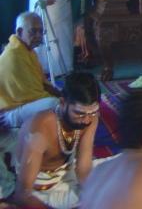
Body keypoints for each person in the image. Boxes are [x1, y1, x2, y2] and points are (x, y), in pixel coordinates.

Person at [9, 72, 100, 209]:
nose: (87, 120)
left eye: (92, 112)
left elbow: (83, 168)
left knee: (120, 177)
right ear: (63, 103)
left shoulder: (91, 119)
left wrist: (96, 194)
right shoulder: (40, 127)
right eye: (79, 113)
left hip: (68, 175)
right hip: (41, 191)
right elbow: (23, 194)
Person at [0, 12, 60, 130]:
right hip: (9, 111)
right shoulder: (15, 56)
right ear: (20, 31)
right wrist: (61, 100)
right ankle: (10, 121)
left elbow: (42, 82)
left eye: (40, 31)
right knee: (55, 105)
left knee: (64, 98)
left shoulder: (26, 49)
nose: (38, 36)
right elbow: (33, 96)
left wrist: (62, 94)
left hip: (24, 101)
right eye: (33, 31)